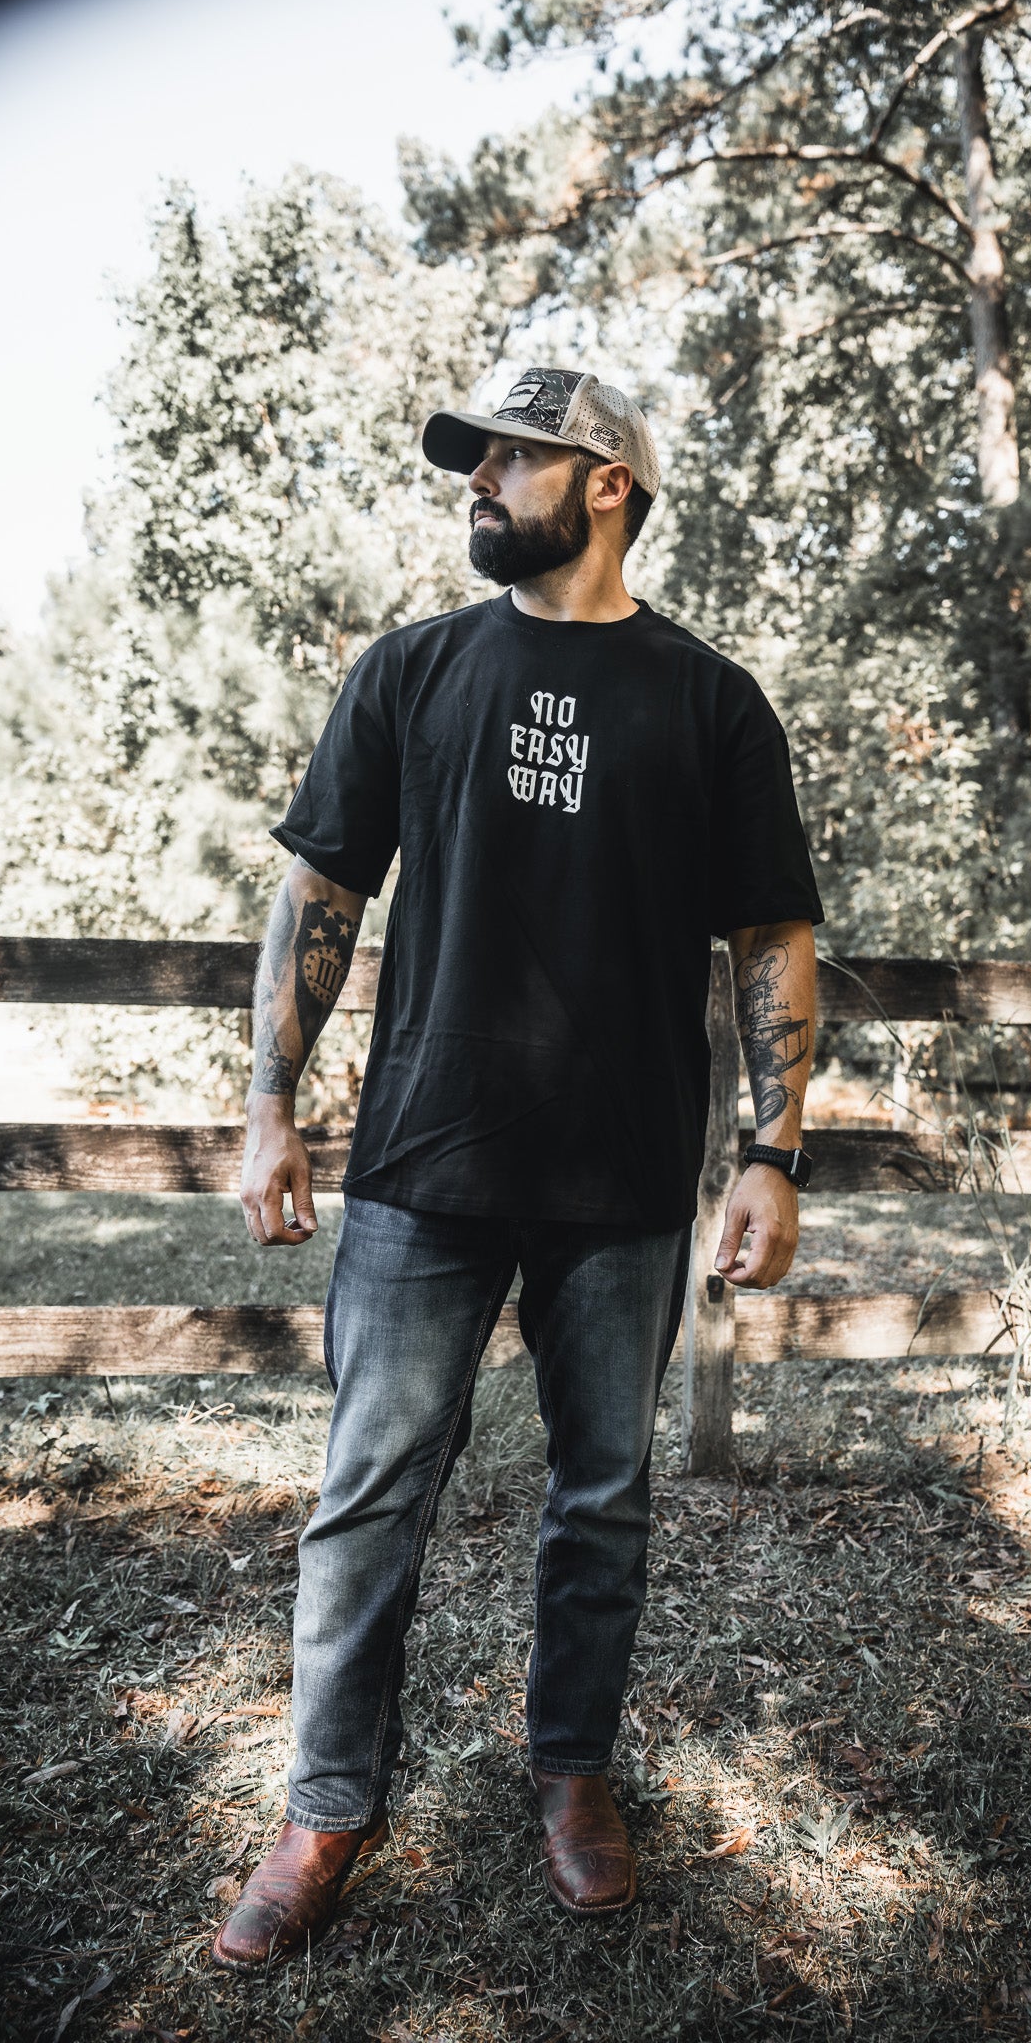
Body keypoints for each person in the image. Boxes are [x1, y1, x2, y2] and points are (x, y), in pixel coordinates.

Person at [211, 367, 823, 1969]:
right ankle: (325, 1808)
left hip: (623, 1175)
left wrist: (771, 1149)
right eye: (472, 460)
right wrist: (269, 1102)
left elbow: (772, 933)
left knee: (600, 1498)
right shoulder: (412, 670)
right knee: (366, 1497)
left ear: (606, 484)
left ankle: (572, 1775)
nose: (476, 480)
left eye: (509, 458)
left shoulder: (710, 703)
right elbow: (321, 894)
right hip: (423, 1161)